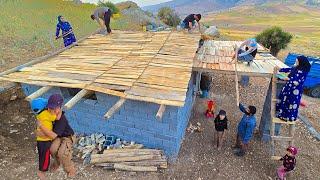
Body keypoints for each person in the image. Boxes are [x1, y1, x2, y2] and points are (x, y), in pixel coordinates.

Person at [37, 94, 76, 177]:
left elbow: (53, 136)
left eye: (54, 108)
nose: (51, 110)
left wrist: (41, 127)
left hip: (67, 136)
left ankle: (70, 168)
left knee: (62, 153)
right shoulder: (48, 113)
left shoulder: (61, 119)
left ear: (59, 108)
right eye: (50, 108)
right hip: (58, 136)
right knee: (52, 149)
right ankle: (57, 163)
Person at [276, 55, 311, 122]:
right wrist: (280, 69)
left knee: (291, 103)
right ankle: (282, 115)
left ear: (301, 62)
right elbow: (290, 69)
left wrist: (287, 78)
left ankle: (289, 117)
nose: (296, 62)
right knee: (285, 101)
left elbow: (297, 82)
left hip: (295, 91)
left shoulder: (303, 72)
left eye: (297, 61)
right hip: (289, 88)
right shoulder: (297, 67)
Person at [31, 98, 57, 180]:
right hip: (45, 141)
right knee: (45, 157)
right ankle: (41, 171)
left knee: (43, 155)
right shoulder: (46, 114)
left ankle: (48, 166)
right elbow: (54, 117)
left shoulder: (38, 115)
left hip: (41, 140)